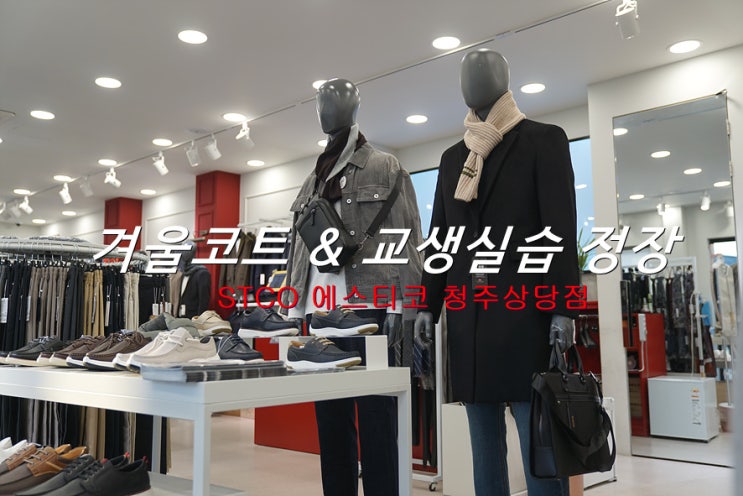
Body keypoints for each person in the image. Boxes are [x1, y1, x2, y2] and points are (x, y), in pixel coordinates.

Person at [414, 49, 579, 496]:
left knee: (539, 446)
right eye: (465, 75)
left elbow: (560, 231)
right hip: (470, 321)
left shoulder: (544, 141)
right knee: (483, 447)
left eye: (482, 72)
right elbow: (440, 239)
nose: (472, 82)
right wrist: (427, 305)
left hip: (527, 316)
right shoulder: (454, 159)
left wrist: (565, 309)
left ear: (505, 79)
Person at [286, 78, 423, 496]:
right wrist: (294, 311)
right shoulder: (312, 179)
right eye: (321, 103)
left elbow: (407, 240)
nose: (327, 110)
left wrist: (404, 308)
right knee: (330, 424)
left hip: (369, 312)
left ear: (355, 107)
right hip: (320, 313)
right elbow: (297, 252)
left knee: (378, 419)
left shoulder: (385, 166)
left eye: (336, 101)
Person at [177, 241, 211, 318]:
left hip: (194, 317)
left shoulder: (202, 273)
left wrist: (200, 319)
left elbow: (204, 301)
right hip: (181, 316)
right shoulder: (182, 271)